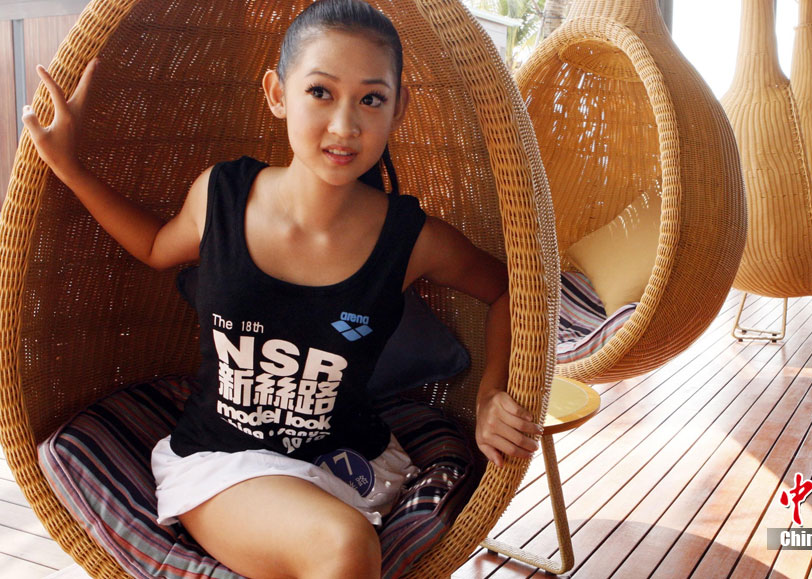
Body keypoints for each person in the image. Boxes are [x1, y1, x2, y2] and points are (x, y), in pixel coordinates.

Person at [21, 0, 542, 576]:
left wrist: (491, 393)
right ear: (277, 93)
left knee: (342, 544)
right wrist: (70, 168)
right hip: (224, 460)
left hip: (351, 463)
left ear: (399, 109)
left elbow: (510, 291)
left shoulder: (411, 238)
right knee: (341, 547)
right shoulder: (222, 196)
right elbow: (153, 246)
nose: (344, 126)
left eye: (371, 99)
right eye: (320, 92)